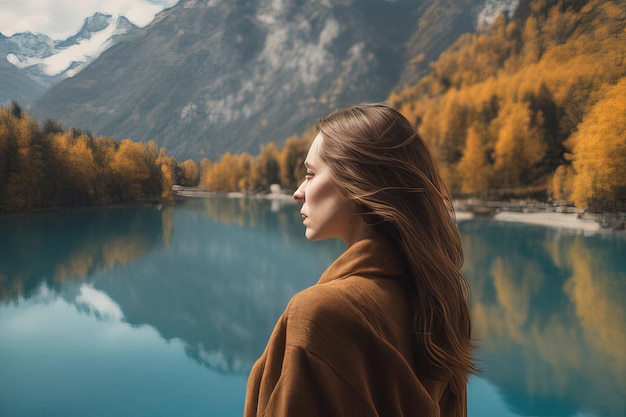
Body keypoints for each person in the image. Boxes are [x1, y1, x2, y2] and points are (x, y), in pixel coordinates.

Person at [244, 103, 476, 417]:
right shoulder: (442, 303)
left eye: (311, 175)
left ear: (356, 183)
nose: (298, 192)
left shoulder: (319, 314)